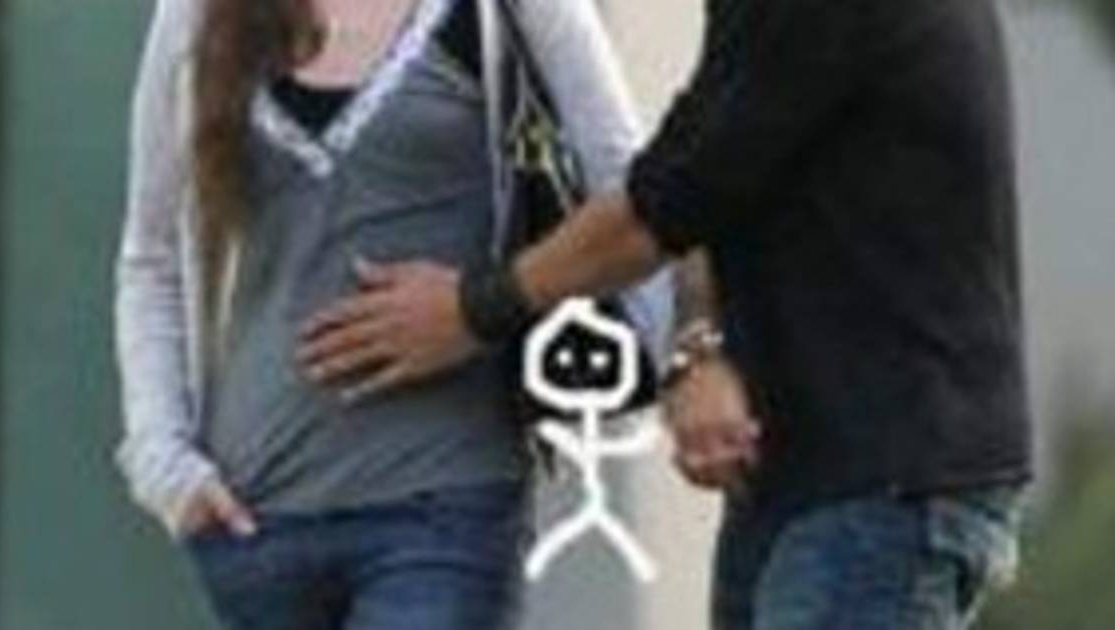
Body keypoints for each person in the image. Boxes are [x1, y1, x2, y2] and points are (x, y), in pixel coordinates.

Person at [312, 0, 1035, 628]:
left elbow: (662, 207)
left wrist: (474, 309)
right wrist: (697, 348)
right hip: (805, 470)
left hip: (887, 477)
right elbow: (711, 173)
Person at [113, 0, 670, 628]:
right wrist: (163, 462)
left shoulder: (510, 12)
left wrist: (653, 366)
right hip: (254, 519)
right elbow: (152, 257)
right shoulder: (197, 13)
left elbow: (631, 190)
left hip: (443, 503)